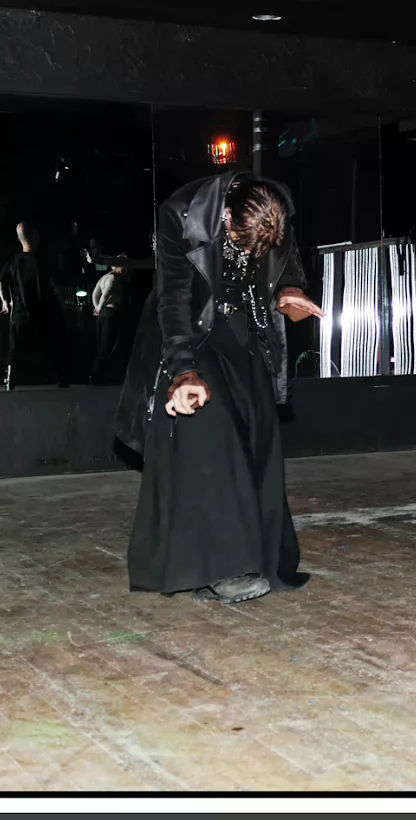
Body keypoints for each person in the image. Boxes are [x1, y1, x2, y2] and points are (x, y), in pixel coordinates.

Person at [113, 170, 324, 604]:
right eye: (242, 243)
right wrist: (184, 372)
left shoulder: (275, 206)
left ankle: (261, 556)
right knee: (213, 428)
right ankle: (225, 567)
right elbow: (173, 300)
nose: (248, 253)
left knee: (259, 433)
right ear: (226, 215)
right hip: (194, 329)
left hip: (246, 327)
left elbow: (288, 264)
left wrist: (289, 289)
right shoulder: (179, 213)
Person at [0, 221, 68, 389]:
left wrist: (5, 302)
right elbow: (57, 284)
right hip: (46, 311)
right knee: (55, 343)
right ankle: (62, 377)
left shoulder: (14, 261)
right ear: (36, 236)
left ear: (19, 238)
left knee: (15, 347)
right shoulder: (44, 260)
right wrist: (61, 302)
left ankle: (10, 378)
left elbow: (0, 280)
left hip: (21, 312)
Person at [90, 254, 129, 384]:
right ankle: (102, 375)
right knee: (108, 344)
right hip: (111, 312)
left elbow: (95, 294)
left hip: (104, 313)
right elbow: (105, 294)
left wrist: (97, 307)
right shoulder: (113, 278)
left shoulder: (103, 278)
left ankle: (98, 373)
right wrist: (99, 307)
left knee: (102, 344)